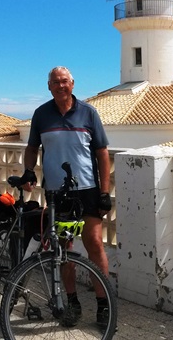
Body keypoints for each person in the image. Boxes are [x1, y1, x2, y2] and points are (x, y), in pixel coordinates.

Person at [20, 66, 112, 328]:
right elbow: (31, 147)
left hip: (88, 190)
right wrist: (29, 171)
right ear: (49, 86)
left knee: (94, 243)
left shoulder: (88, 113)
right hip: (57, 192)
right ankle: (71, 303)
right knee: (63, 249)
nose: (60, 86)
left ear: (72, 84)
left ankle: (104, 306)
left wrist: (105, 192)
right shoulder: (41, 114)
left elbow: (102, 153)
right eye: (55, 82)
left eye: (64, 81)